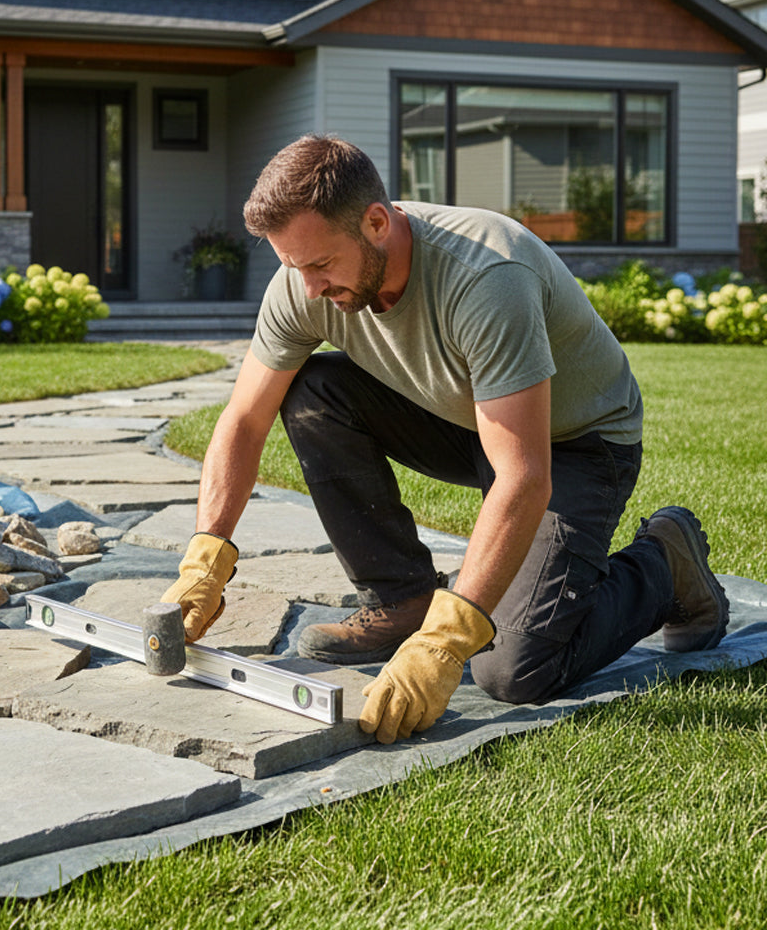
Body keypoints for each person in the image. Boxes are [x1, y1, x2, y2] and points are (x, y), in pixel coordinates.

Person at [160, 134, 729, 744]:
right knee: (312, 392)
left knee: (511, 668)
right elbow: (245, 420)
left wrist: (445, 639)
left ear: (376, 223)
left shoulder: (486, 275)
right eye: (291, 267)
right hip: (464, 421)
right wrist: (206, 556)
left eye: (320, 265)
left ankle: (664, 564)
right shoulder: (304, 283)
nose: (308, 289)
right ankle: (402, 598)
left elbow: (524, 476)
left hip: (578, 444)